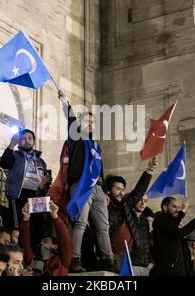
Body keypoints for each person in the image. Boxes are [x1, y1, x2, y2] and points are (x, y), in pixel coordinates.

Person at [58, 90, 116, 273]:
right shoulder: (76, 138)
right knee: (81, 222)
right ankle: (75, 258)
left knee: (103, 226)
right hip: (81, 186)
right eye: (86, 121)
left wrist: (106, 190)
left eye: (92, 122)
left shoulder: (96, 145)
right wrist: (64, 101)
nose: (90, 124)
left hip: (98, 189)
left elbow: (101, 169)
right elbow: (70, 120)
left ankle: (109, 260)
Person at [106, 157, 157, 271]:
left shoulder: (125, 206)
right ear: (109, 191)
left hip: (127, 257)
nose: (122, 193)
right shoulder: (104, 208)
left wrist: (149, 170)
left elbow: (137, 192)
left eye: (123, 189)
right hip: (113, 256)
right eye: (118, 189)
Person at [0, 129, 50, 228]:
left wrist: (43, 185)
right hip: (19, 194)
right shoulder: (15, 155)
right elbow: (4, 164)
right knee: (18, 224)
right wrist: (11, 145)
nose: (27, 141)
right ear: (18, 142)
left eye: (30, 138)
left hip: (37, 194)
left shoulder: (41, 161)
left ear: (34, 141)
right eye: (23, 139)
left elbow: (46, 182)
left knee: (37, 226)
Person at [152, 197, 195, 276]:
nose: (177, 209)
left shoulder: (169, 221)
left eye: (178, 207)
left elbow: (175, 222)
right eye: (174, 206)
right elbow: (178, 233)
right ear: (165, 207)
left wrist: (184, 209)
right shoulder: (160, 221)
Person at [20, 201, 72, 276]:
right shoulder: (32, 260)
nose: (42, 244)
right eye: (41, 242)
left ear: (54, 246)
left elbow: (66, 240)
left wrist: (55, 217)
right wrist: (26, 219)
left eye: (45, 242)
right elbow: (24, 243)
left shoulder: (62, 261)